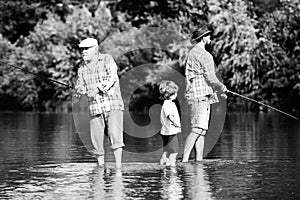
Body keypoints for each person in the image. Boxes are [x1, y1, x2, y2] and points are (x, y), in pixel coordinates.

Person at [74, 38, 124, 168]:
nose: (83, 51)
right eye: (82, 49)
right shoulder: (81, 68)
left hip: (112, 104)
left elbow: (112, 77)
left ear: (95, 49)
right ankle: (100, 168)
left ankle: (118, 168)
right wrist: (80, 91)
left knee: (115, 135)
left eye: (86, 49)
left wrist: (97, 89)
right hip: (94, 108)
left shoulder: (107, 59)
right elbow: (79, 86)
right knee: (96, 140)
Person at [182, 25, 227, 162]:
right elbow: (211, 78)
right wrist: (222, 87)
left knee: (201, 131)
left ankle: (199, 161)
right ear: (203, 39)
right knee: (197, 129)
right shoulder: (206, 55)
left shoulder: (191, 53)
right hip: (201, 95)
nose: (210, 38)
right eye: (208, 36)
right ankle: (184, 161)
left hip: (194, 94)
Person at [159, 80, 181, 166]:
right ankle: (172, 169)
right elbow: (169, 115)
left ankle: (163, 165)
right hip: (171, 132)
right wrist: (175, 122)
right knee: (174, 152)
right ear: (171, 94)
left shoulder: (166, 103)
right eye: (175, 93)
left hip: (165, 132)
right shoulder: (168, 104)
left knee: (166, 151)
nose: (176, 95)